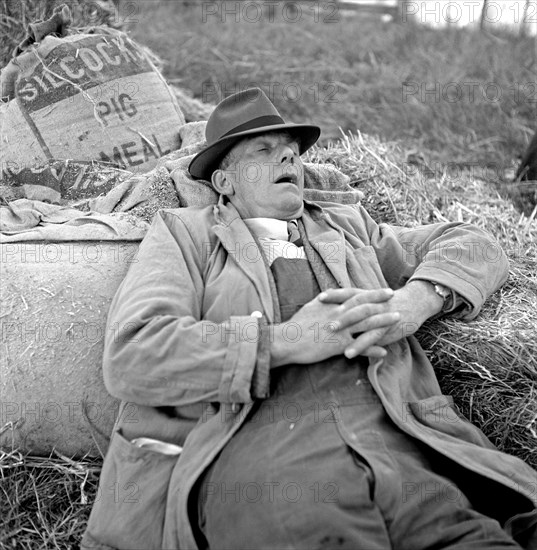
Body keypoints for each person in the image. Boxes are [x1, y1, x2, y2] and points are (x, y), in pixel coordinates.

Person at [82, 88, 537, 550]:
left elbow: (474, 243)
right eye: (264, 150)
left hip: (404, 450)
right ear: (224, 182)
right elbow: (134, 351)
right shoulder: (186, 234)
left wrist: (416, 301)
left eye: (293, 153)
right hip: (265, 462)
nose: (288, 160)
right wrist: (287, 341)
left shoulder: (346, 226)